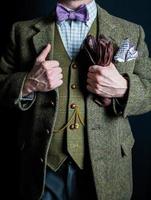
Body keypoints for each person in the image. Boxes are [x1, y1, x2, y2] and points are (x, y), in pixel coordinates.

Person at [0, 0, 151, 199]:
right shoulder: (21, 31)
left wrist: (124, 87)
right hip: (42, 168)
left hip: (108, 167)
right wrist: (28, 83)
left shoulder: (131, 31)